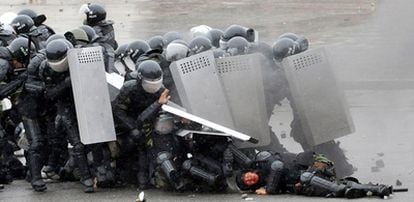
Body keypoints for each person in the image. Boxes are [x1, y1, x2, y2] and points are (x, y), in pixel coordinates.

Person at [39, 39, 94, 193]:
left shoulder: (81, 59)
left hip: (84, 101)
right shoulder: (46, 68)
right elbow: (49, 94)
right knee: (76, 142)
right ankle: (86, 177)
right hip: (65, 104)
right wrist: (66, 83)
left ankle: (61, 166)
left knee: (92, 139)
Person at [112, 60, 170, 189]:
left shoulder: (160, 91)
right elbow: (117, 110)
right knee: (135, 138)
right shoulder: (129, 88)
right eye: (149, 83)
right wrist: (131, 126)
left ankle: (147, 176)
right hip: (126, 124)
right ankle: (127, 172)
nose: (152, 86)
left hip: (147, 122)